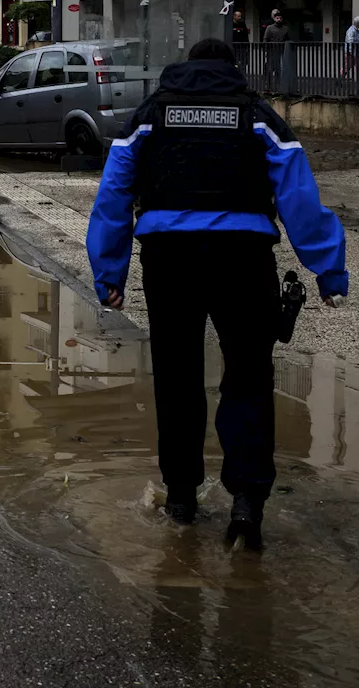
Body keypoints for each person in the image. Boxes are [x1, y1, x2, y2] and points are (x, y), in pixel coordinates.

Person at [87, 37, 346, 549]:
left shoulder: (150, 114)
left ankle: (182, 498)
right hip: (243, 261)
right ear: (231, 69)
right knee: (248, 377)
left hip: (170, 260)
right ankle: (247, 505)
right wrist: (328, 272)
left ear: (186, 67)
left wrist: (109, 273)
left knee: (177, 377)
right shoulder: (257, 114)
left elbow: (114, 193)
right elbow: (299, 197)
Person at [264, 8, 290, 91]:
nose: (279, 20)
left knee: (280, 68)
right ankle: (268, 85)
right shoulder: (269, 28)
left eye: (280, 18)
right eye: (277, 18)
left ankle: (279, 85)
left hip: (281, 51)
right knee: (270, 68)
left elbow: (288, 39)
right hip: (271, 51)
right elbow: (265, 39)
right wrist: (266, 50)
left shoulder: (285, 28)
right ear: (274, 19)